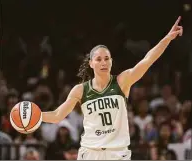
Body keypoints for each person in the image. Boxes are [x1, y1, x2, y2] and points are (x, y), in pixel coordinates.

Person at [42, 16, 183, 160]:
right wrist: (37, 116)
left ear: (111, 62)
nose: (103, 62)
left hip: (117, 153)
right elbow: (58, 115)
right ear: (91, 63)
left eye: (106, 58)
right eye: (98, 59)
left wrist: (167, 38)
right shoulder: (80, 90)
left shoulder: (122, 82)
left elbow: (147, 60)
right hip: (91, 153)